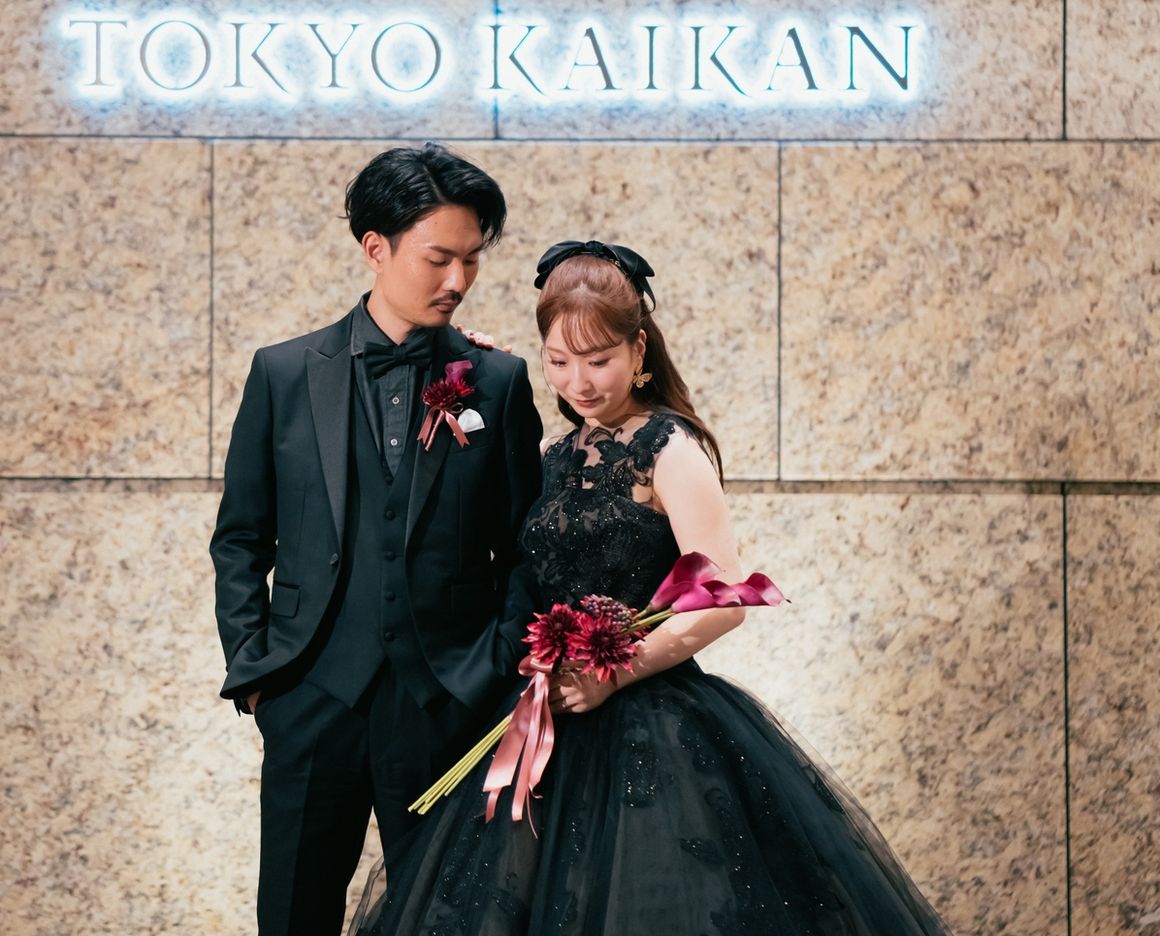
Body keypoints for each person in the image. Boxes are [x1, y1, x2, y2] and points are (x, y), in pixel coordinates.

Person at [351, 239, 950, 936]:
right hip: (550, 718)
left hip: (653, 718)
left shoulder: (669, 447)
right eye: (558, 362)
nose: (579, 382)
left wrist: (615, 673)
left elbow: (725, 597)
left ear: (639, 350)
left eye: (598, 360)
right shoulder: (554, 456)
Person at [209, 143, 543, 936]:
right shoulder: (284, 373)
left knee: (446, 920)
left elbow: (528, 547)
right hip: (309, 695)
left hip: (446, 701)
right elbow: (241, 539)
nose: (457, 280)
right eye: (438, 258)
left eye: (471, 259)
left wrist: (493, 668)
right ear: (375, 248)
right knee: (293, 913)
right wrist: (259, 675)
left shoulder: (497, 382)